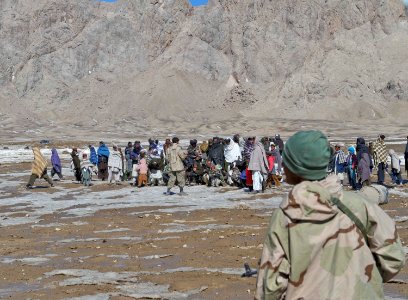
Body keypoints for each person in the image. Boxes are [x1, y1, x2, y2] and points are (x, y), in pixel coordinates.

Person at [255, 130, 405, 300]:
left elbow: (270, 288)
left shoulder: (286, 216)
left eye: (286, 162)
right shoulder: (359, 205)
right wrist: (364, 279)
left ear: (294, 167)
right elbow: (393, 257)